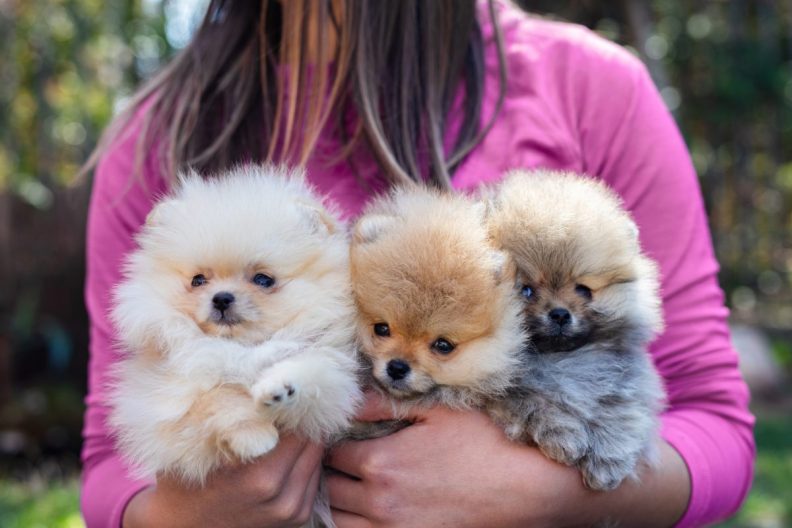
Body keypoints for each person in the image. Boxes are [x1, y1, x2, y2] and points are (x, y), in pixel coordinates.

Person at [80, 1, 755, 527]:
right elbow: (109, 465)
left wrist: (546, 494)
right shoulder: (158, 135)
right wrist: (181, 514)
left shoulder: (589, 88)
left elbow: (716, 422)